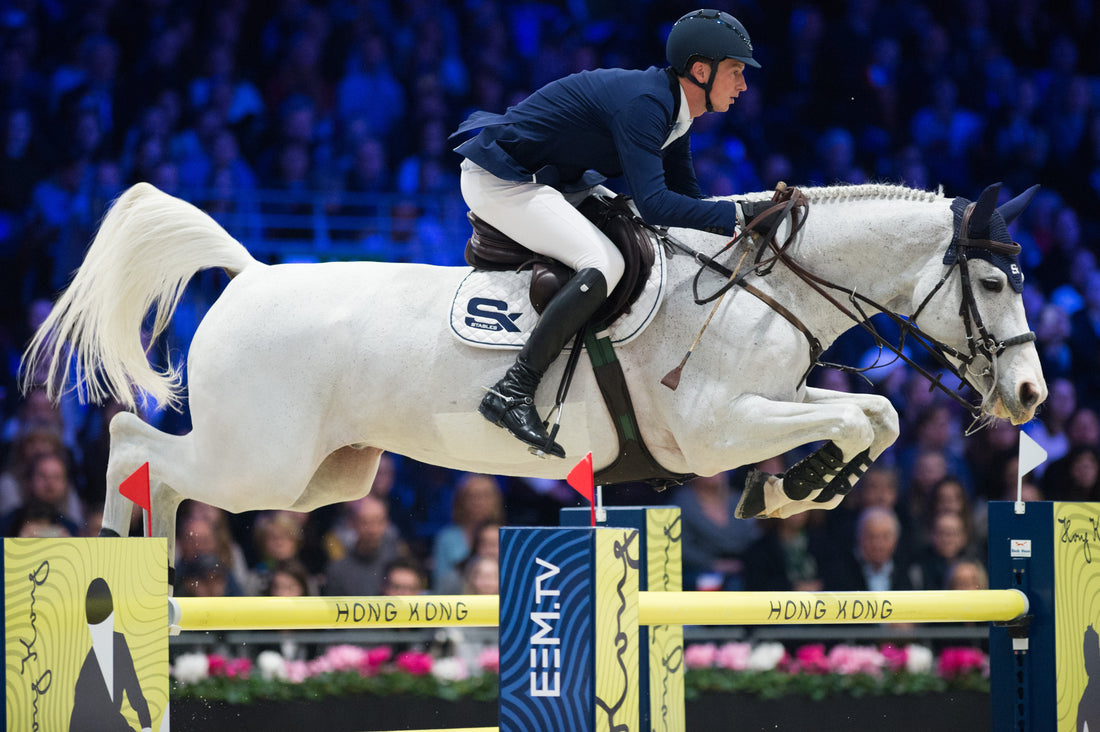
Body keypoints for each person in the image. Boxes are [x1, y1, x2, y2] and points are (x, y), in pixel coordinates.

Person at [451, 9, 759, 457]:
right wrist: (739, 213)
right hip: (503, 179)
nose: (743, 86)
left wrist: (739, 230)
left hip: (553, 180)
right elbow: (656, 204)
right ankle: (513, 391)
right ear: (700, 71)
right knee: (605, 263)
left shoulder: (675, 112)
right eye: (736, 72)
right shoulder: (647, 106)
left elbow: (686, 195)